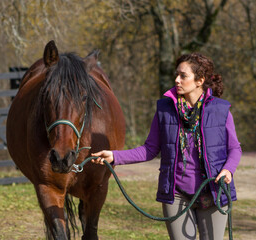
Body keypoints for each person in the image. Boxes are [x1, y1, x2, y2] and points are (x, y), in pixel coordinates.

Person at [91, 52, 241, 240]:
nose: (177, 80)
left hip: (213, 192)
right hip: (177, 194)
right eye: (176, 74)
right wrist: (115, 156)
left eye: (183, 76)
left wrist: (228, 170)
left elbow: (234, 148)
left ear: (199, 80)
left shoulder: (221, 110)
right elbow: (150, 149)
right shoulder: (165, 110)